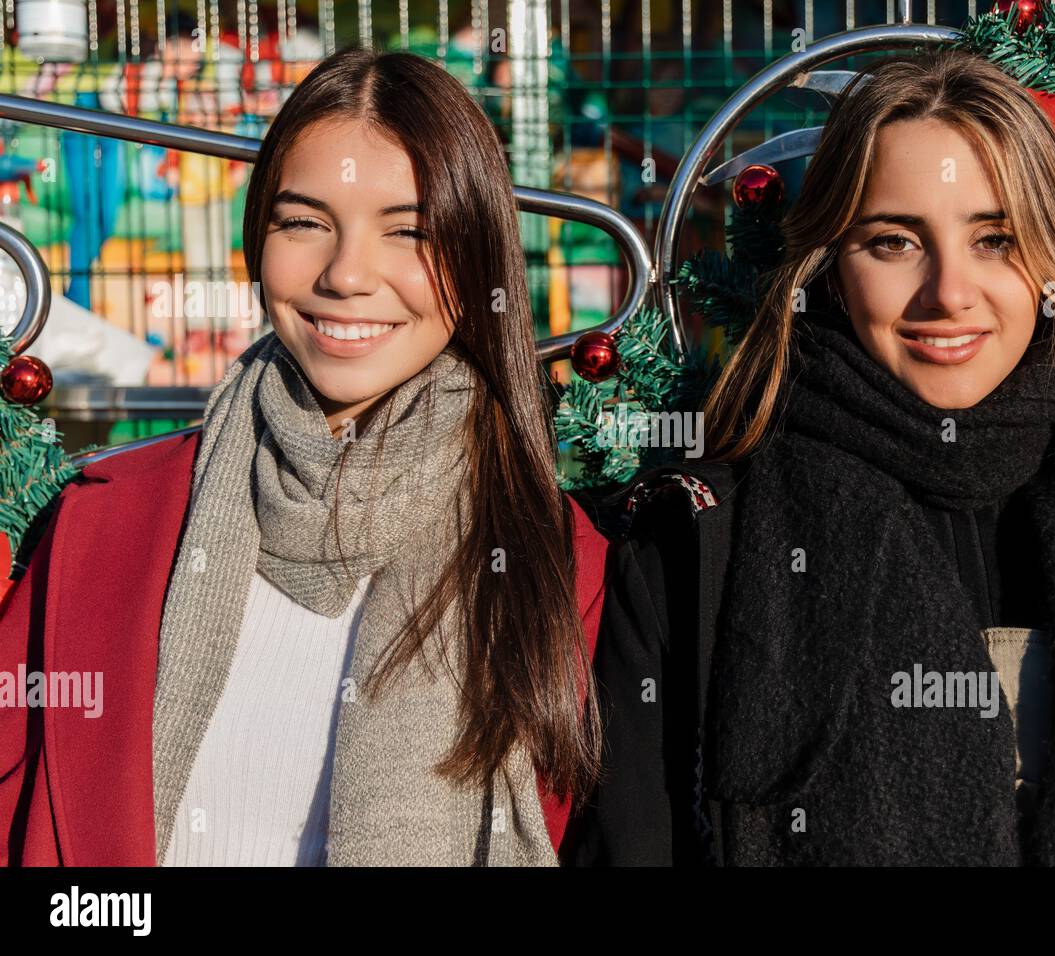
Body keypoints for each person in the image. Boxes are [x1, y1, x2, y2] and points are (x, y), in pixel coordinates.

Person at [563, 48, 1055, 867]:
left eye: (995, 239)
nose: (949, 291)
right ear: (831, 269)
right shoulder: (699, 542)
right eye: (893, 242)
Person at [0, 47, 607, 867]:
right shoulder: (104, 522)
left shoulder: (561, 563)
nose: (347, 274)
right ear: (258, 239)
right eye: (305, 222)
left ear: (475, 256)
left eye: (410, 231)